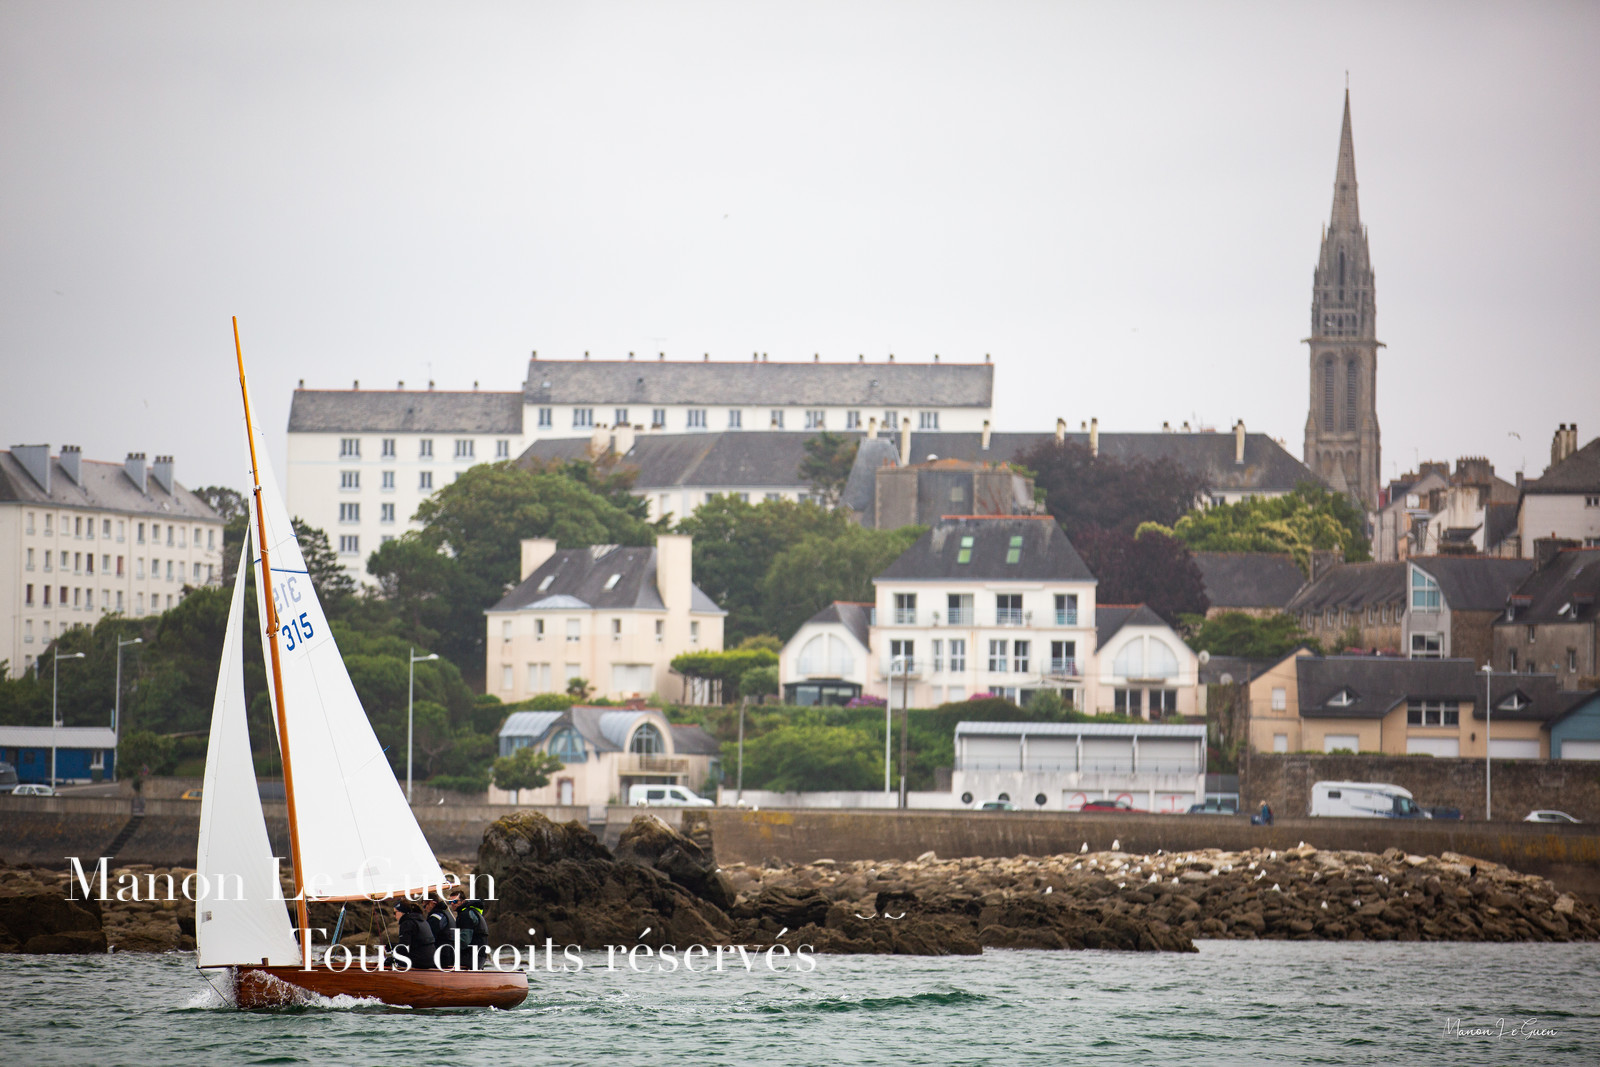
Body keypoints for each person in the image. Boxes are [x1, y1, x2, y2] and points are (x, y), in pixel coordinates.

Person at [391, 900, 435, 970]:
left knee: (391, 962)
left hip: (419, 963)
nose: (394, 915)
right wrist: (395, 946)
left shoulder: (407, 923)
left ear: (402, 912)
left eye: (395, 913)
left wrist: (392, 958)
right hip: (431, 960)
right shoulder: (422, 920)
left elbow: (404, 948)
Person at [452, 893, 490, 969]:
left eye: (455, 901)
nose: (452, 903)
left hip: (470, 959)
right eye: (450, 902)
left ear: (463, 901)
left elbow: (464, 941)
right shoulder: (474, 913)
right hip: (480, 958)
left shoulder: (465, 915)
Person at [424, 895, 456, 968]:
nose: (425, 909)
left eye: (425, 906)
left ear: (432, 903)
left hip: (441, 956)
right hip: (450, 954)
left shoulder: (435, 917)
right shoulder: (448, 914)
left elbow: (429, 937)